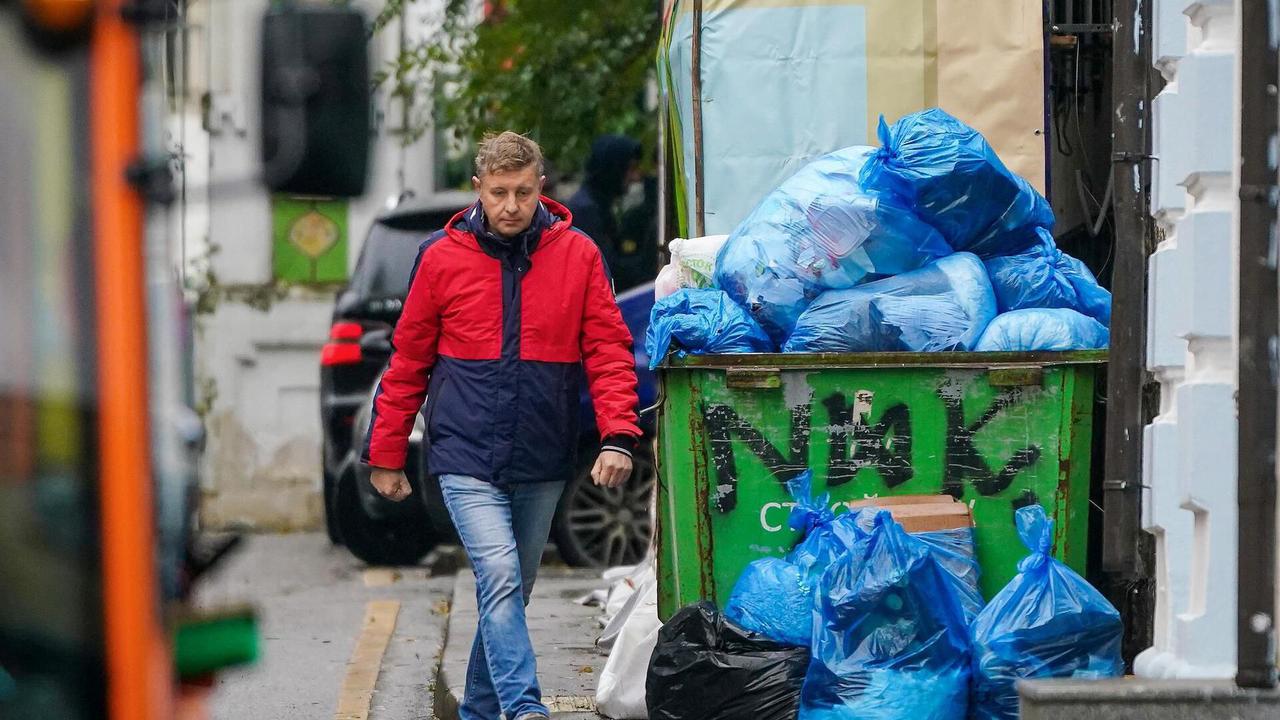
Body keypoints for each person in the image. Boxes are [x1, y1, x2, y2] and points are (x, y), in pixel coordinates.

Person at [361, 131, 640, 720]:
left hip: (542, 452)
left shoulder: (580, 255)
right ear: (478, 191)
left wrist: (617, 434)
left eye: (521, 192)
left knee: (509, 591)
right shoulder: (440, 257)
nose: (511, 206)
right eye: (498, 193)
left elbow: (610, 350)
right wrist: (386, 453)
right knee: (499, 574)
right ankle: (524, 707)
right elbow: (409, 359)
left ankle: (479, 712)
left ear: (541, 187)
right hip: (464, 453)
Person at [565, 135, 641, 283]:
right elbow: (607, 269)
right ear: (613, 169)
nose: (635, 177)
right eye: (630, 169)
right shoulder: (586, 211)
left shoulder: (599, 205)